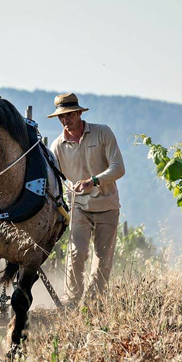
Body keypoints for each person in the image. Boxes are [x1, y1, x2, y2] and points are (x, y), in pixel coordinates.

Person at [49, 92, 125, 303]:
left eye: (69, 115)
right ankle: (72, 301)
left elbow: (119, 168)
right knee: (76, 254)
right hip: (79, 207)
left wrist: (93, 181)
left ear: (80, 113)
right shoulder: (56, 147)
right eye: (61, 117)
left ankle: (92, 302)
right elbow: (56, 180)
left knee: (102, 260)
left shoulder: (102, 133)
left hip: (107, 205)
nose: (65, 120)